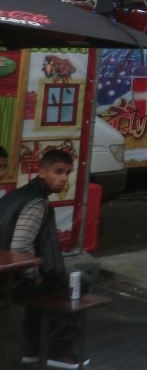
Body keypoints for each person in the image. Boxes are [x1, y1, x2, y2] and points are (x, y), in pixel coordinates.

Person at [0, 148, 87, 368]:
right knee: (77, 282)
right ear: (42, 172)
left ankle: (33, 349)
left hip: (8, 277)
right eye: (58, 172)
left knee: (49, 282)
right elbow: (20, 248)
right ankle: (59, 352)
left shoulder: (15, 196)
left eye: (67, 172)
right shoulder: (36, 203)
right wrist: (35, 275)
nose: (64, 178)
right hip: (10, 281)